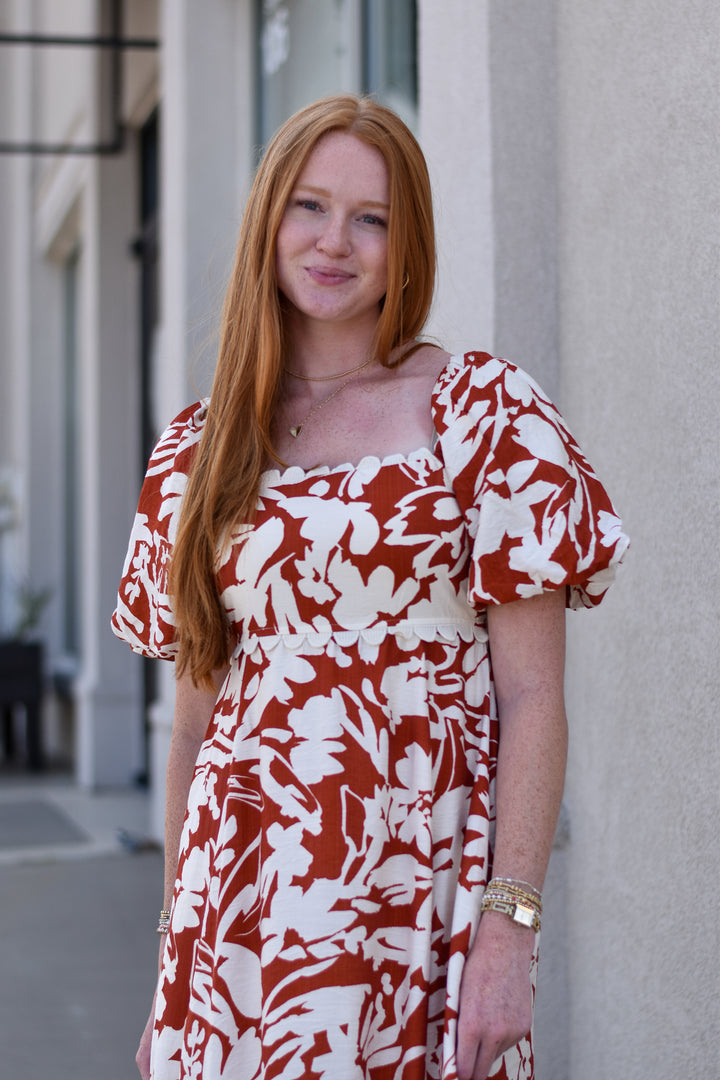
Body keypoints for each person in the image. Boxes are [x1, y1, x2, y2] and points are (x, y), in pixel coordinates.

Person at [112, 94, 628, 1080]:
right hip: (242, 926)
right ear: (268, 218)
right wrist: (178, 960)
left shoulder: (481, 415)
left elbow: (531, 698)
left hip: (415, 910)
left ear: (408, 243)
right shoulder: (198, 448)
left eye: (372, 217)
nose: (334, 242)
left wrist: (508, 933)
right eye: (309, 206)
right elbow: (190, 731)